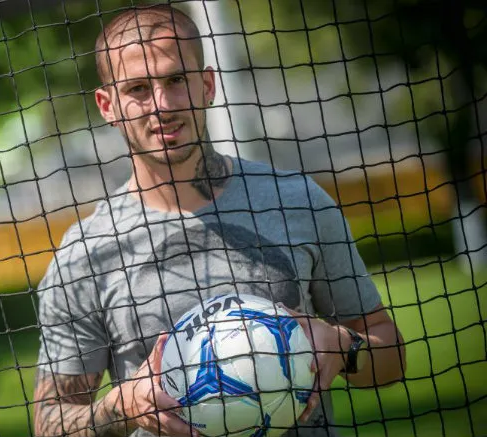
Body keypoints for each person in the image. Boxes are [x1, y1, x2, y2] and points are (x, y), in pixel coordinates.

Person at [32, 4, 407, 437]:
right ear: (108, 104)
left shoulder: (297, 201)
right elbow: (50, 423)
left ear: (207, 84)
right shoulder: (86, 253)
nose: (163, 105)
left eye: (177, 80)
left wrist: (344, 348)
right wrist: (121, 407)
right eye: (138, 88)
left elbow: (391, 353)